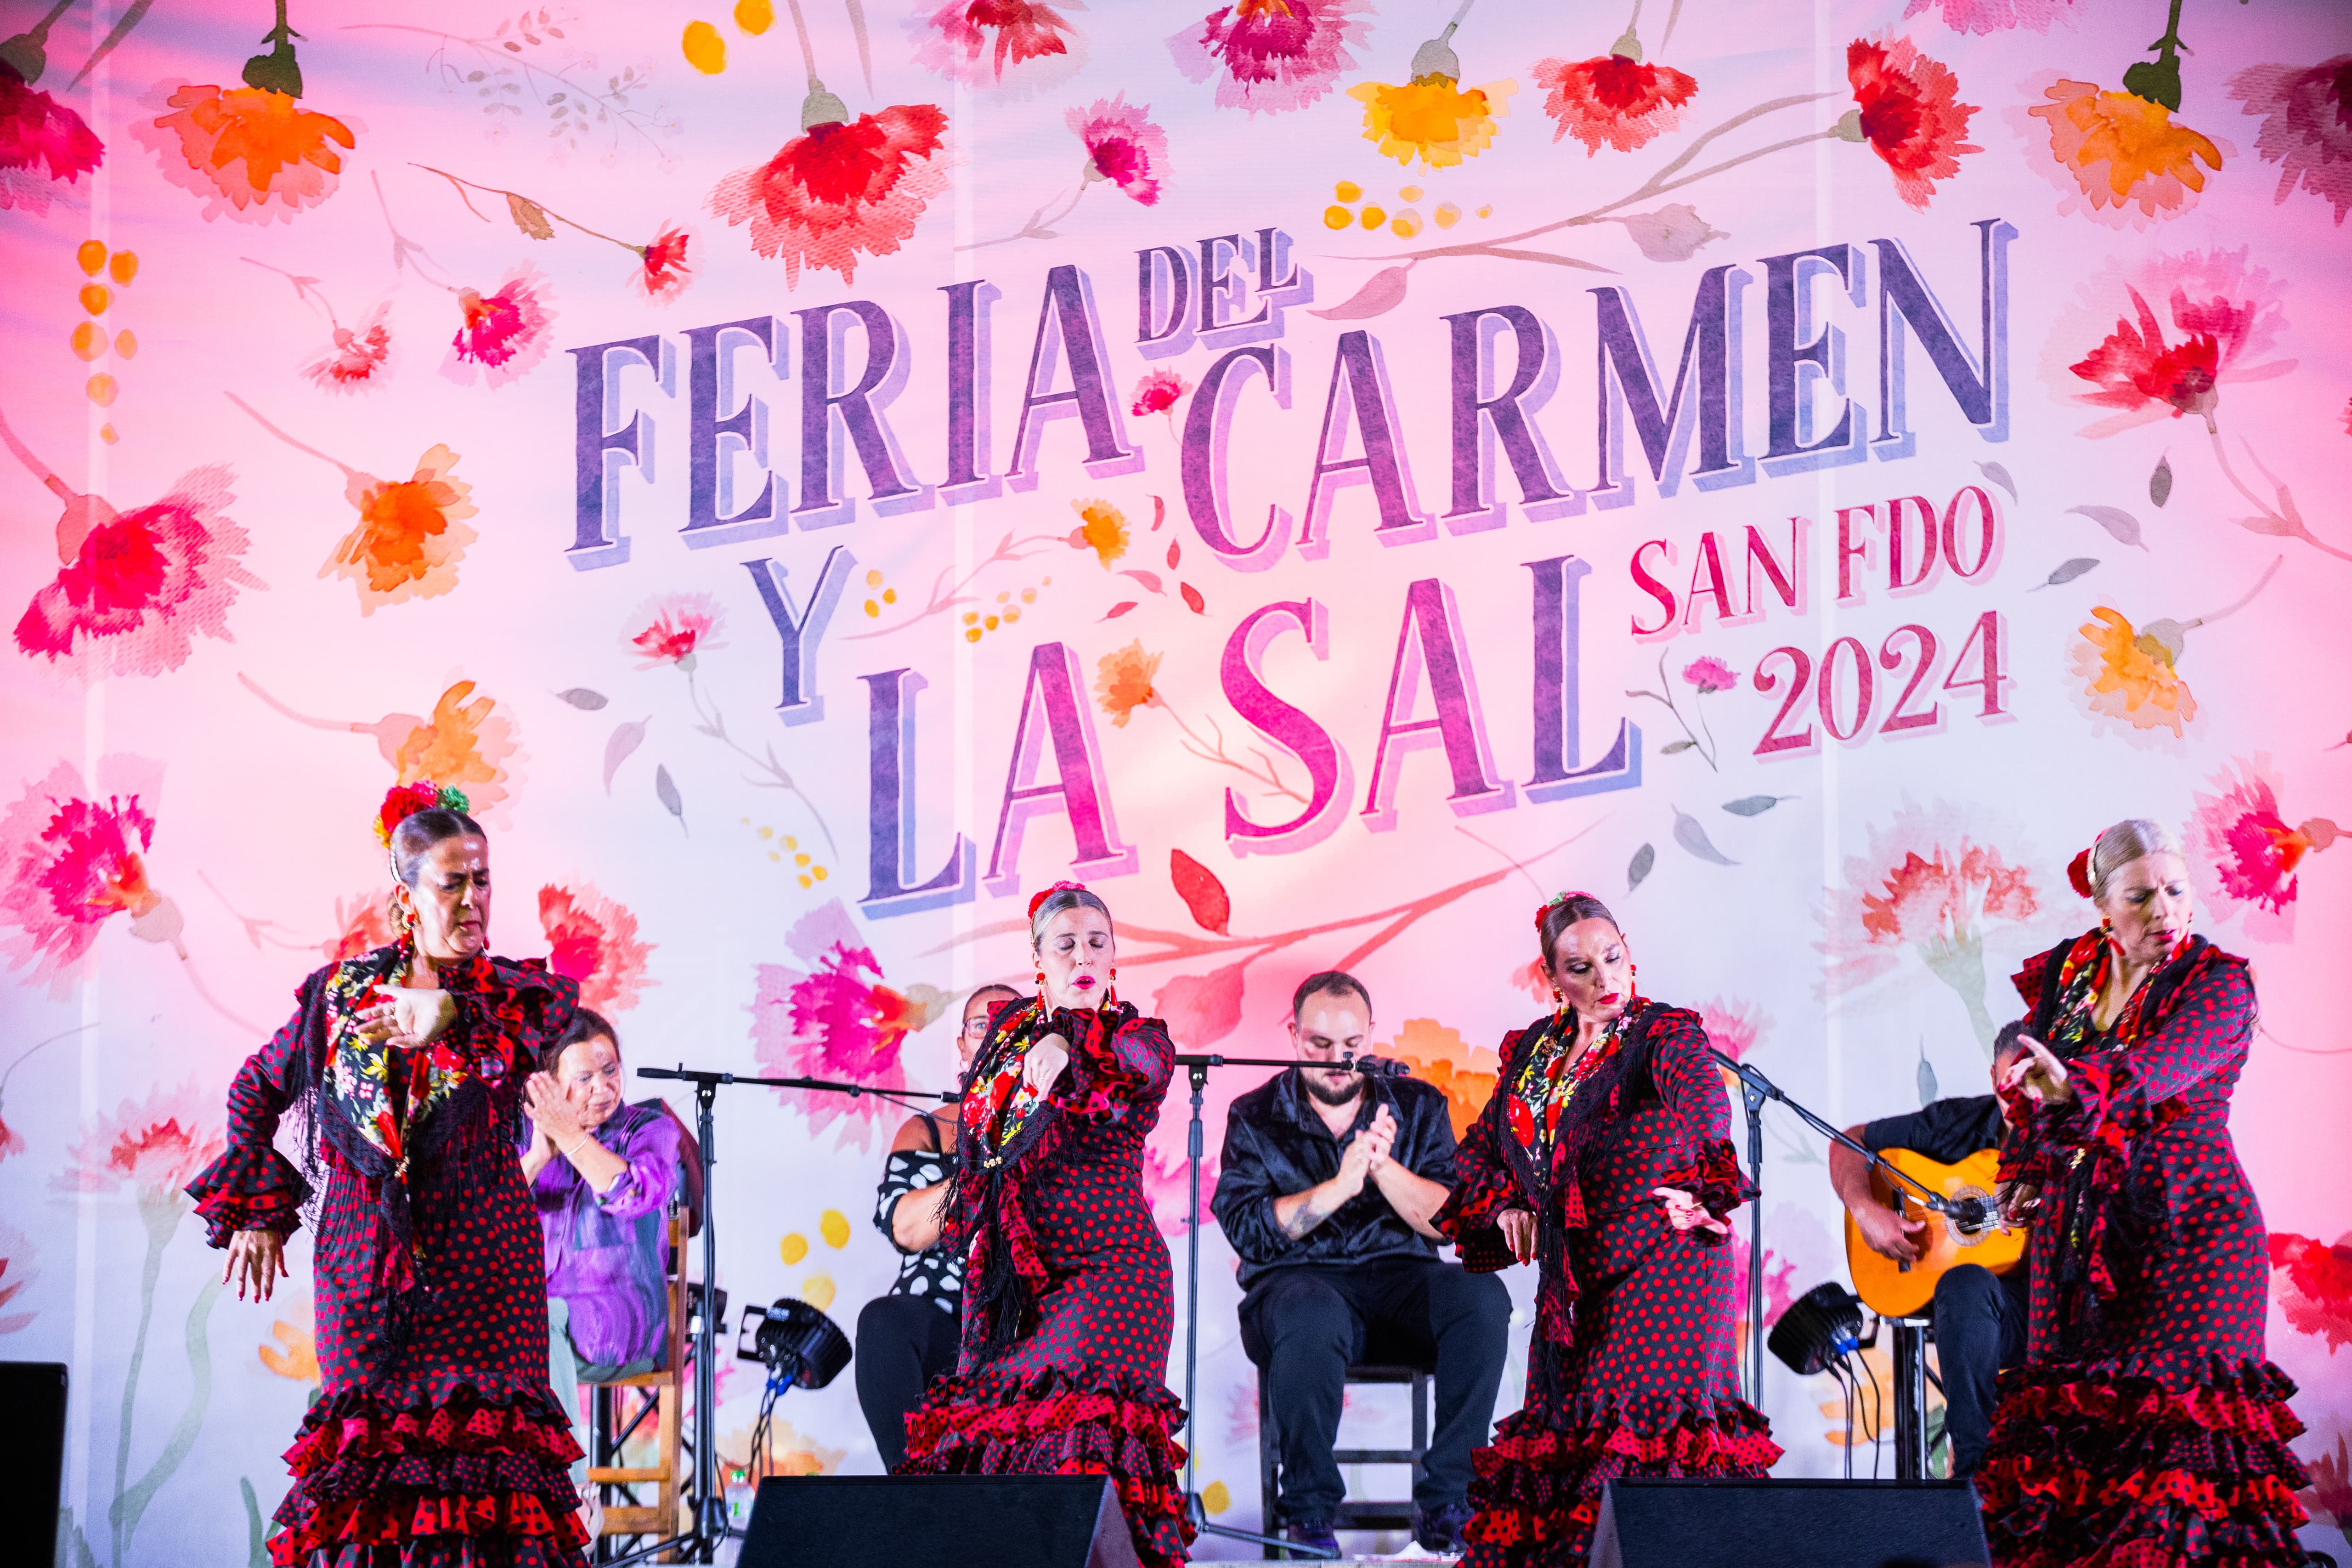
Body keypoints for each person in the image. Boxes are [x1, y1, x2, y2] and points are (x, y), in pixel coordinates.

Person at [187, 782, 590, 1565]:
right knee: (368, 1474)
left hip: (488, 1273)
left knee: (495, 1483)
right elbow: (254, 1088)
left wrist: (444, 1015)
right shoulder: (340, 996)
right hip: (365, 1267)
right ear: (405, 896)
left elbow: (519, 1038)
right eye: (453, 881)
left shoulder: (511, 997)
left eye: (483, 879)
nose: (474, 899)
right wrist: (259, 1211)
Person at [1975, 820, 2317, 1566]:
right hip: (2080, 1245)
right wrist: (2030, 1170)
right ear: (2104, 906)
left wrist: (2075, 1086)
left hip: (2192, 1235)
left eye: (2176, 889)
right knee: (2068, 1465)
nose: (2164, 907)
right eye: (2142, 895)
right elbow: (2039, 1081)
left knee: (2173, 1473)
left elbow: (2155, 1071)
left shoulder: (2217, 981)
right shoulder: (2070, 973)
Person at [1435, 891, 1778, 1567]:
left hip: (1663, 1268)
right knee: (1568, 1446)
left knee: (1644, 1446)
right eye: (1581, 967)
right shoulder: (1534, 1052)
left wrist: (1704, 1173)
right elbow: (1478, 1151)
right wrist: (1506, 1206)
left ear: (1630, 951)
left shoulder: (1662, 1032)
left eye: (1612, 957)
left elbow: (1705, 1105)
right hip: (1574, 1285)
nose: (1603, 979)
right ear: (1552, 979)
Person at [899, 882, 1193, 1568]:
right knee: (996, 1446)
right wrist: (1038, 1049)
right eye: (1066, 943)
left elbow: (1141, 1070)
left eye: (1097, 941)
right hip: (1019, 1289)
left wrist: (1065, 1043)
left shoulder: (1136, 1038)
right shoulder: (1005, 1046)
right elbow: (982, 1141)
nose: (1083, 954)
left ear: (1114, 954)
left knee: (1084, 1451)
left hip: (1116, 1277)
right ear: (1039, 960)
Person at [1213, 969, 1510, 1556]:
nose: (1336, 1060)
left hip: (1401, 1281)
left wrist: (1382, 1169)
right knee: (1309, 1311)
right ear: (1293, 1034)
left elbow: (1450, 1223)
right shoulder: (1254, 1114)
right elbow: (1247, 1230)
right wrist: (1340, 1184)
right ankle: (1309, 1513)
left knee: (1481, 1296)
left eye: (1350, 1047)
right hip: (1298, 1286)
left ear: (1369, 1036)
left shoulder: (1418, 1104)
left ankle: (1448, 1501)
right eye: (1319, 1045)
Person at [1827, 1023, 2029, 1478]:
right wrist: (1864, 1208)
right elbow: (1849, 1141)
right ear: (1991, 1077)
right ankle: (1974, 1474)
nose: (2018, 1102)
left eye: (2031, 1086)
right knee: (1964, 1284)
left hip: (2059, 1303)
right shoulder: (1959, 1124)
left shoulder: (2087, 1133)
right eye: (2006, 1088)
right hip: (1985, 1313)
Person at [522, 1007, 684, 1523]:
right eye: (585, 1076)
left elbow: (636, 1191)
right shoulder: (523, 1137)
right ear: (550, 1087)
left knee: (537, 1320)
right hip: (537, 1338)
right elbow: (484, 1217)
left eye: (610, 1070)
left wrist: (573, 1139)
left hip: (621, 1320)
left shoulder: (649, 1128)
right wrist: (540, 1153)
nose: (602, 1087)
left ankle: (568, 1496)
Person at [855, 981, 1019, 1469]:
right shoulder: (927, 1130)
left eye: (1008, 1024)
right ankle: (915, 1498)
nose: (991, 1034)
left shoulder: (1057, 1128)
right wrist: (982, 1146)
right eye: (978, 1025)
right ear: (963, 1047)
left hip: (1023, 1329)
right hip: (943, 1322)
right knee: (883, 1321)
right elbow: (905, 1228)